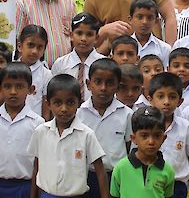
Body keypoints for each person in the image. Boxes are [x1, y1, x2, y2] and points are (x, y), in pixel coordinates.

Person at [28, 74, 109, 198]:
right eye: (57, 103)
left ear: (79, 103)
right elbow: (36, 167)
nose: (64, 109)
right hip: (46, 195)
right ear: (48, 104)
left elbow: (100, 172)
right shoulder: (41, 131)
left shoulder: (86, 134)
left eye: (70, 102)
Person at [0, 63, 45, 197]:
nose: (13, 91)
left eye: (19, 86)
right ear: (0, 88)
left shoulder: (38, 124)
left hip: (24, 188)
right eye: (7, 86)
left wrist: (34, 194)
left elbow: (38, 164)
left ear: (30, 89)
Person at [76, 58, 133, 198]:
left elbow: (129, 146)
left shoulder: (127, 114)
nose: (103, 88)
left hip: (116, 175)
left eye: (109, 83)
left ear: (117, 86)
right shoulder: (79, 114)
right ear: (89, 84)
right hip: (85, 175)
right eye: (98, 82)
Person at [148, 73, 189, 198]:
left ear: (180, 101)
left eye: (172, 97)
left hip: (177, 186)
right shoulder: (143, 127)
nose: (166, 102)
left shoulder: (186, 127)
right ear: (150, 99)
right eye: (160, 96)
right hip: (149, 185)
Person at [110, 106, 175, 198]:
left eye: (157, 135)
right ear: (134, 138)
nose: (151, 142)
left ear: (164, 138)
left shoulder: (168, 170)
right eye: (144, 135)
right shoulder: (121, 168)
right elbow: (114, 195)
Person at [52, 13, 105, 102]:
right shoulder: (60, 64)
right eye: (79, 33)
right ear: (71, 35)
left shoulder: (103, 63)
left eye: (89, 34)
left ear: (96, 38)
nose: (83, 38)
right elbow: (53, 93)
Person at [16, 25, 52, 118]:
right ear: (20, 46)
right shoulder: (10, 70)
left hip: (35, 126)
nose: (35, 51)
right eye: (31, 45)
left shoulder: (46, 74)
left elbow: (46, 107)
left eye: (39, 47)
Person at [129, 0, 172, 67]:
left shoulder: (164, 48)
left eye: (150, 18)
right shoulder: (123, 47)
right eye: (140, 17)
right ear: (130, 19)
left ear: (156, 21)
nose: (144, 22)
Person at [167, 48, 189, 112]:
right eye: (176, 66)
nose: (181, 69)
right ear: (168, 69)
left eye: (187, 66)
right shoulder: (163, 89)